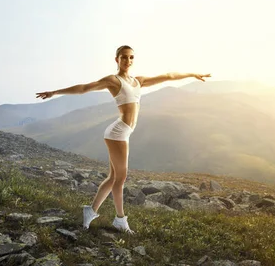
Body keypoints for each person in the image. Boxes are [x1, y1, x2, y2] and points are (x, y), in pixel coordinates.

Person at [35, 45, 210, 234]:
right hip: (117, 133)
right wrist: (55, 92)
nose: (128, 61)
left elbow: (168, 76)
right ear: (117, 59)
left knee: (112, 178)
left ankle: (91, 210)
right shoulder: (113, 80)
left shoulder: (138, 81)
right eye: (124, 57)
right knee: (121, 178)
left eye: (131, 57)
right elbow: (85, 88)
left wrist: (193, 74)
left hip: (124, 132)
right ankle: (120, 219)